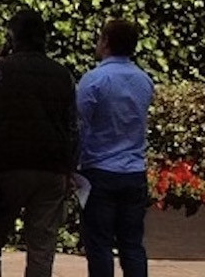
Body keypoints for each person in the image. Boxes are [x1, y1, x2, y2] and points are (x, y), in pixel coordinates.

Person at [0, 8, 77, 277]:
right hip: (51, 169)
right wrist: (69, 169)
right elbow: (73, 126)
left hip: (8, 166)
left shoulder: (2, 69)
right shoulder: (63, 75)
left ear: (12, 38)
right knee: (41, 246)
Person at [77, 18, 154, 277]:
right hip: (134, 170)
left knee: (99, 244)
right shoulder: (144, 80)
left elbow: (79, 125)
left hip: (99, 171)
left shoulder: (93, 80)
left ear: (106, 42)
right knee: (132, 244)